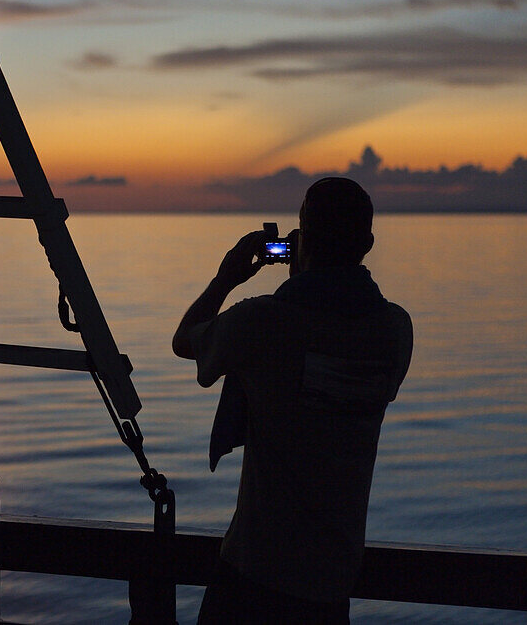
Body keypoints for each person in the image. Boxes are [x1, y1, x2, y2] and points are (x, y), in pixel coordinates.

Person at [172, 177, 412, 624]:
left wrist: (226, 277)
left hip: (253, 573)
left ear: (301, 238)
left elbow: (186, 340)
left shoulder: (265, 321)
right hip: (331, 582)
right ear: (368, 243)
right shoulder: (395, 330)